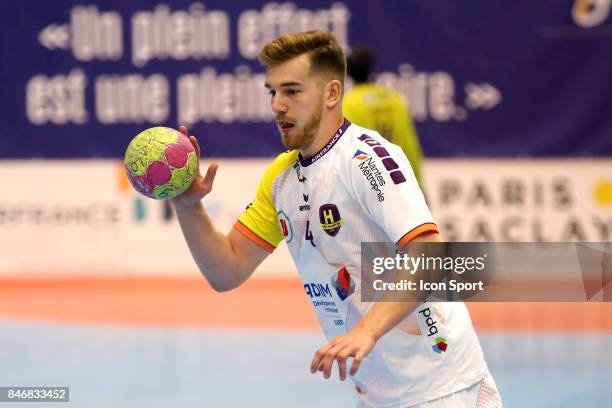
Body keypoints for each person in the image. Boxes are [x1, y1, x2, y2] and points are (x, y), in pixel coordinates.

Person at [172, 30, 501, 407]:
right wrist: (187, 206)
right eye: (272, 92)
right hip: (377, 390)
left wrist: (366, 331)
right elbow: (227, 271)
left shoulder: (367, 159)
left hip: (440, 386)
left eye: (292, 91)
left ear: (331, 93)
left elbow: (430, 252)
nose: (278, 105)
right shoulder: (281, 178)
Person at [344, 47, 425, 187]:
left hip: (372, 182)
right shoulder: (395, 99)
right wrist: (419, 184)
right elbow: (410, 144)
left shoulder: (348, 103)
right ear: (371, 70)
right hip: (402, 178)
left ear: (348, 73)